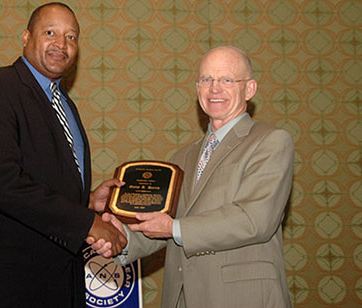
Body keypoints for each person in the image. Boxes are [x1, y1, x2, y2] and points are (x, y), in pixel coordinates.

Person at [90, 46, 294, 307]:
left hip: (243, 297)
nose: (214, 88)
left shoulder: (270, 141)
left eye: (227, 80)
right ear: (198, 88)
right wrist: (120, 238)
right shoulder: (182, 157)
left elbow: (254, 219)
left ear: (250, 89)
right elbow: (166, 224)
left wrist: (173, 228)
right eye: (206, 79)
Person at [0, 2, 127, 308]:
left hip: (64, 285)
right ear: (25, 37)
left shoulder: (67, 106)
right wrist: (87, 222)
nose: (61, 44)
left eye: (71, 37)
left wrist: (87, 201)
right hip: (9, 288)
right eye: (50, 32)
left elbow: (40, 179)